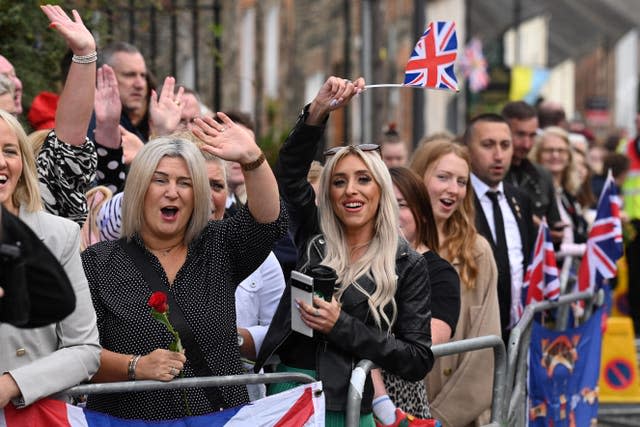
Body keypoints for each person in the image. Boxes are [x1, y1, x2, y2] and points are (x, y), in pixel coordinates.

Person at [81, 111, 286, 420]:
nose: (172, 192)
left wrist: (252, 158)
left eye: (185, 183)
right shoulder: (98, 263)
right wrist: (135, 366)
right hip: (127, 420)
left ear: (197, 196)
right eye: (159, 180)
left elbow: (268, 224)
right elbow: (77, 353)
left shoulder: (219, 246)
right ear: (139, 190)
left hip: (220, 418)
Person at [255, 76, 434, 426]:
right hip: (289, 396)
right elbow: (291, 174)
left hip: (348, 405)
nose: (351, 191)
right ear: (330, 193)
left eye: (363, 179)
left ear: (380, 189)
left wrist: (342, 326)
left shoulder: (406, 262)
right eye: (339, 181)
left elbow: (417, 358)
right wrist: (317, 112)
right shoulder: (314, 236)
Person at [0, 7, 101, 410]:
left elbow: (84, 350)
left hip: (30, 413)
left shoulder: (55, 235)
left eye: (9, 151)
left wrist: (13, 384)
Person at [411, 139, 501, 427]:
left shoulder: (476, 252)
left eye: (462, 181)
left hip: (458, 416)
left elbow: (485, 349)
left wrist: (438, 419)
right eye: (443, 177)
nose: (454, 189)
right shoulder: (389, 247)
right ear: (418, 179)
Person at [371, 166, 460, 426]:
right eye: (384, 204)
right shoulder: (358, 262)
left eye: (401, 204)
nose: (392, 214)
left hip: (402, 404)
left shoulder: (440, 273)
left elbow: (423, 342)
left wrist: (353, 334)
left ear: (421, 213)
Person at [464, 113, 535, 344]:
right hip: (475, 331)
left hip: (516, 329)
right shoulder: (458, 199)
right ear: (468, 149)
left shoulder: (520, 200)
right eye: (487, 145)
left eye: (505, 145)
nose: (498, 155)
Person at [501, 101, 563, 240]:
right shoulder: (490, 175)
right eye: (520, 135)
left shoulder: (542, 176)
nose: (526, 144)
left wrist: (550, 234)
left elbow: (555, 228)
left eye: (532, 135)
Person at [529, 127, 588, 258]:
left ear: (568, 156)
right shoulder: (530, 192)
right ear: (538, 154)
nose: (555, 155)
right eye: (549, 150)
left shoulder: (568, 193)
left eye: (561, 150)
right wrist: (587, 249)